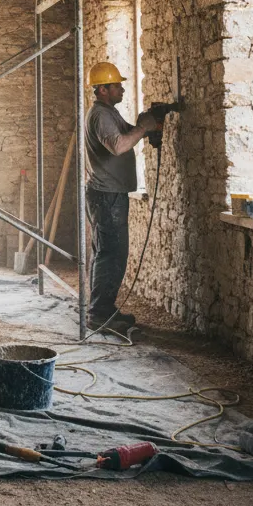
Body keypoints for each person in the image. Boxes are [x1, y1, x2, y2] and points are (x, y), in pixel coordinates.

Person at [84, 62, 158, 331]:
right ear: (103, 89)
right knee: (111, 254)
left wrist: (145, 123)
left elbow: (128, 133)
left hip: (109, 194)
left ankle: (103, 309)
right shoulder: (101, 116)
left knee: (108, 252)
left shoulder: (109, 113)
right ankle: (98, 314)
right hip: (107, 196)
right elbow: (118, 145)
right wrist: (144, 128)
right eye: (117, 85)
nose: (122, 89)